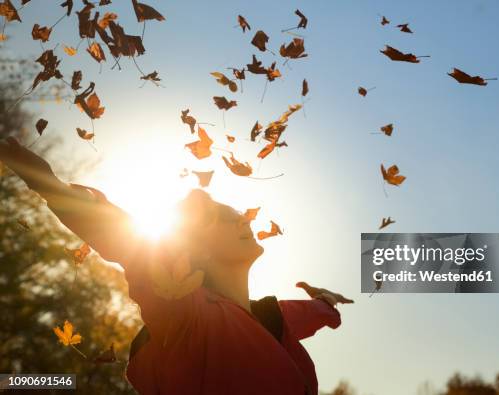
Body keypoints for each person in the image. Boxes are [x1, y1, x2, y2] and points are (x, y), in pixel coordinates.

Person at [0, 136, 354, 395]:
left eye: (238, 217)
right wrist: (41, 178)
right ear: (194, 252)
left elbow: (313, 312)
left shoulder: (271, 318)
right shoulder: (185, 308)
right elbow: (122, 237)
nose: (242, 222)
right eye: (225, 220)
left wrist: (326, 302)